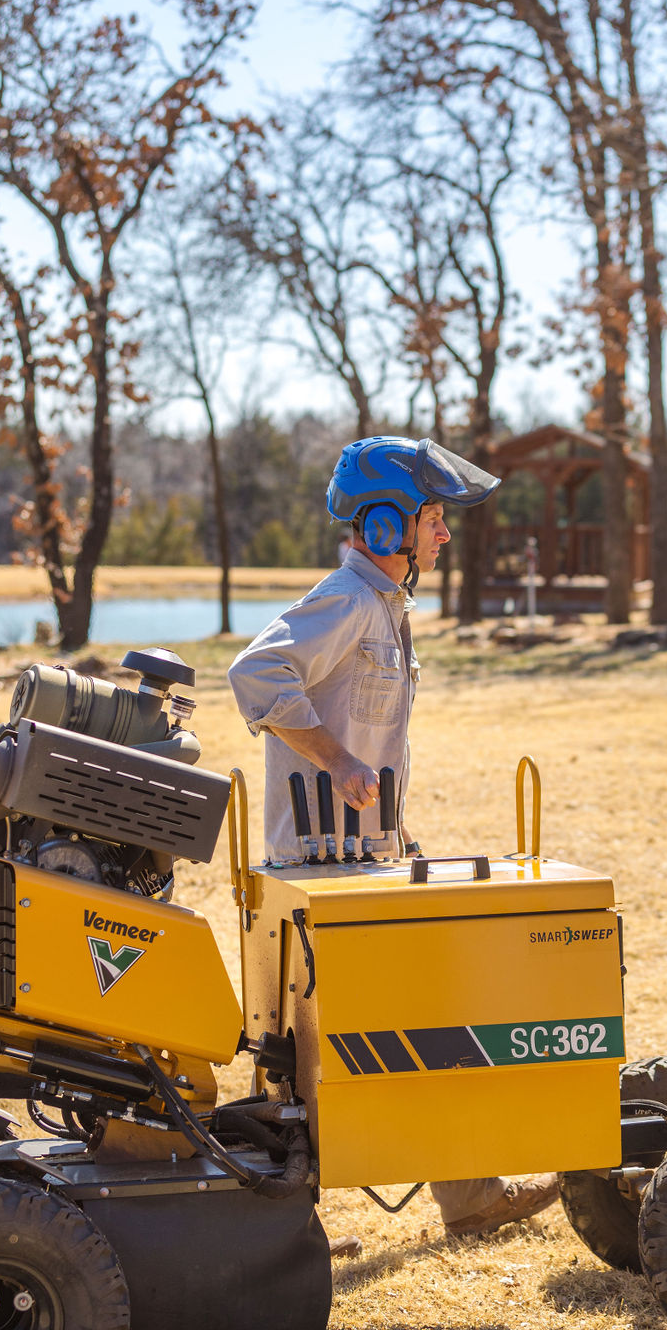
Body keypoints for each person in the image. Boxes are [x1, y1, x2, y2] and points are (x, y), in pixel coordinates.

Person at [227, 435, 559, 1239]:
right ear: (385, 527)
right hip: (322, 867)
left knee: (418, 1016)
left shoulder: (385, 608)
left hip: (368, 859)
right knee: (325, 1044)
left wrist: (397, 833)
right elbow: (255, 673)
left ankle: (466, 1196)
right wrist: (337, 762)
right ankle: (275, 1211)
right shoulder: (347, 599)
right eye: (434, 518)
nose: (444, 535)